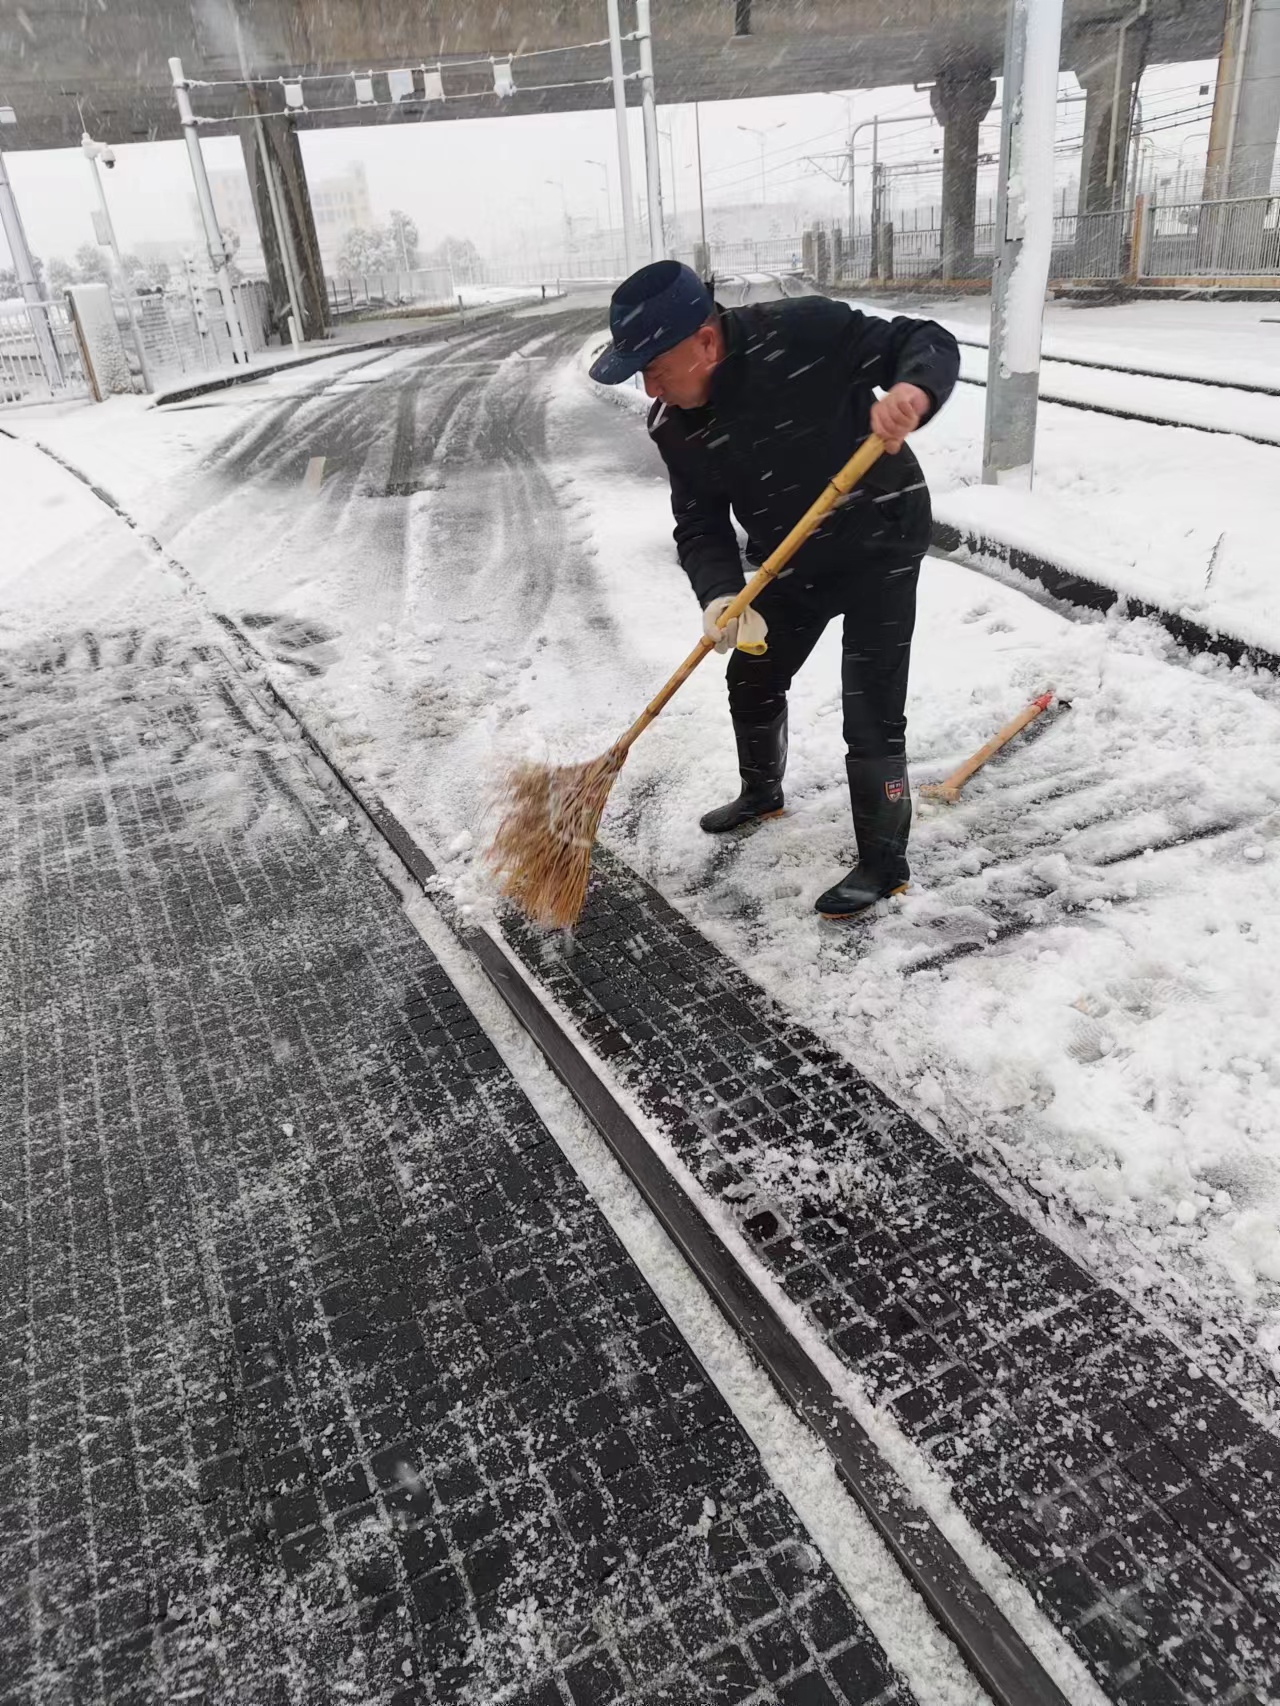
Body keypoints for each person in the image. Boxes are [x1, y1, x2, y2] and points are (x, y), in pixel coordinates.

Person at [589, 261, 959, 919]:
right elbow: (698, 521)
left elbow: (923, 340)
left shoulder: (805, 330)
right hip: (788, 557)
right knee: (752, 678)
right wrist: (718, 595)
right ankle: (762, 793)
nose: (650, 385)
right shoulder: (674, 424)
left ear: (705, 341)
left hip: (881, 534)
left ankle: (883, 864)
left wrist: (912, 390)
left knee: (870, 706)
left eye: (655, 366)